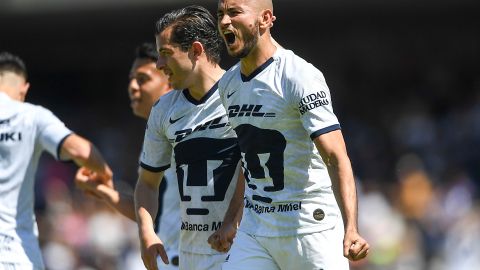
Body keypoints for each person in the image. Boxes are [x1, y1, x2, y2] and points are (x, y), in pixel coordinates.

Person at [212, 0, 370, 269]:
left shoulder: (299, 76)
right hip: (257, 230)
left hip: (310, 227)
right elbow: (247, 157)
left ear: (265, 19)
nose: (224, 21)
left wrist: (351, 227)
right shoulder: (228, 84)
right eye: (221, 14)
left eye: (234, 12)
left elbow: (335, 156)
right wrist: (232, 218)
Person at [134, 5, 244, 270]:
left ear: (196, 50)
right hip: (191, 255)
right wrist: (147, 233)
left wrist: (233, 220)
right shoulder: (163, 110)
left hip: (243, 250)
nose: (160, 64)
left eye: (165, 54)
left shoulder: (243, 93)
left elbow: (255, 169)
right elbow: (147, 183)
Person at [0, 51, 113, 270]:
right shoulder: (32, 116)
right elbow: (81, 150)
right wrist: (104, 175)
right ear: (24, 89)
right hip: (15, 256)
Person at [74, 43, 181, 269]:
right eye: (131, 79)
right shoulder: (155, 136)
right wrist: (105, 193)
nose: (132, 87)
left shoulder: (185, 131)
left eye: (142, 79)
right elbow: (153, 211)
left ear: (169, 82)